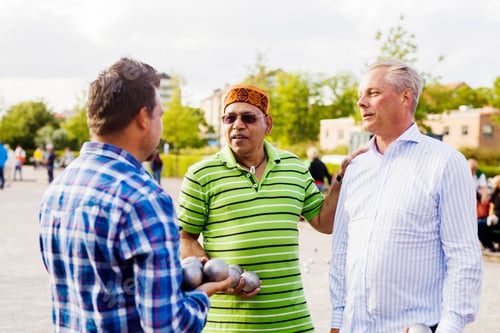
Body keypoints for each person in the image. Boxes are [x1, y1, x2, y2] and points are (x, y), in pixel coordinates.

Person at [39, 57, 232, 332]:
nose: (161, 124)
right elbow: (167, 325)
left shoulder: (59, 189)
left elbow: (95, 282)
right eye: (160, 115)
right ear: (143, 118)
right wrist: (202, 294)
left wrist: (171, 279)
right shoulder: (144, 199)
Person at [177, 83, 358, 332]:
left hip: (292, 323)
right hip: (226, 326)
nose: (238, 125)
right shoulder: (201, 174)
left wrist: (340, 179)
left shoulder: (294, 167)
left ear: (268, 125)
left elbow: (324, 223)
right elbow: (184, 238)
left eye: (248, 118)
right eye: (230, 118)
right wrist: (217, 276)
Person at [329, 59, 482, 333]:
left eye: (372, 93)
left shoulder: (445, 163)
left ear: (405, 97)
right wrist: (338, 320)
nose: (361, 103)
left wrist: (449, 327)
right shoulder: (356, 167)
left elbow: (463, 257)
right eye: (360, 95)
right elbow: (342, 249)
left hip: (415, 326)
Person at [469, 157, 496, 252]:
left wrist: (484, 197)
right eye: (471, 169)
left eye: (474, 169)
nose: (473, 171)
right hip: (465, 198)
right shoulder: (462, 172)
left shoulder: (479, 174)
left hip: (474, 199)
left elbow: (484, 188)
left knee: (476, 221)